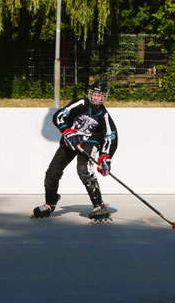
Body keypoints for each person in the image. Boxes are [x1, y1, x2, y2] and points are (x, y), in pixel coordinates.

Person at [31, 80, 118, 224]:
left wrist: (105, 157)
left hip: (90, 142)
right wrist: (67, 131)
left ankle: (99, 206)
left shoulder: (104, 116)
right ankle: (50, 203)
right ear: (91, 93)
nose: (97, 98)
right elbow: (59, 116)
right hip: (71, 140)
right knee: (52, 172)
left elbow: (110, 137)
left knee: (84, 170)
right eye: (95, 94)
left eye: (100, 96)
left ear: (105, 97)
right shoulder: (81, 103)